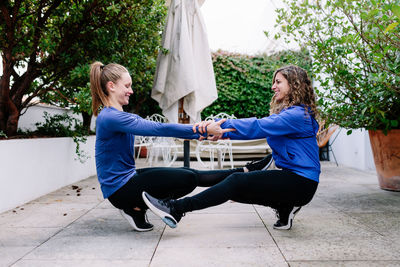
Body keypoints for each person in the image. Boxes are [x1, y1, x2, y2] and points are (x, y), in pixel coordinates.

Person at [89, 61, 273, 232]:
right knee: (187, 179)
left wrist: (201, 132)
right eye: (127, 86)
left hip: (127, 181)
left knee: (190, 173)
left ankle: (249, 169)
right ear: (111, 86)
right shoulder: (111, 117)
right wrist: (200, 128)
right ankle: (135, 206)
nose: (131, 90)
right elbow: (160, 128)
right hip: (121, 190)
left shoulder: (113, 115)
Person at [143, 65, 320, 230]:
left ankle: (176, 209)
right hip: (294, 178)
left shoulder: (296, 115)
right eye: (274, 82)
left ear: (294, 84)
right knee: (230, 187)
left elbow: (257, 126)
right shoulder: (293, 113)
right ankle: (285, 207)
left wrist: (221, 128)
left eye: (278, 82)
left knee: (235, 182)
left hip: (301, 183)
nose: (273, 86)